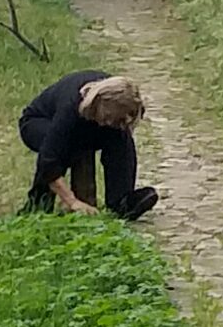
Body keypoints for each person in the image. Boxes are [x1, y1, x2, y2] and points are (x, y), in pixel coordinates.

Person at [18, 68, 159, 221]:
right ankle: (38, 203)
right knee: (66, 145)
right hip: (38, 122)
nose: (109, 122)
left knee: (120, 136)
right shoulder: (70, 106)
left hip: (86, 126)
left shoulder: (120, 98)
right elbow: (48, 160)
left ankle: (121, 202)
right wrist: (72, 201)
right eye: (108, 116)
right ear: (100, 102)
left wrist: (121, 123)